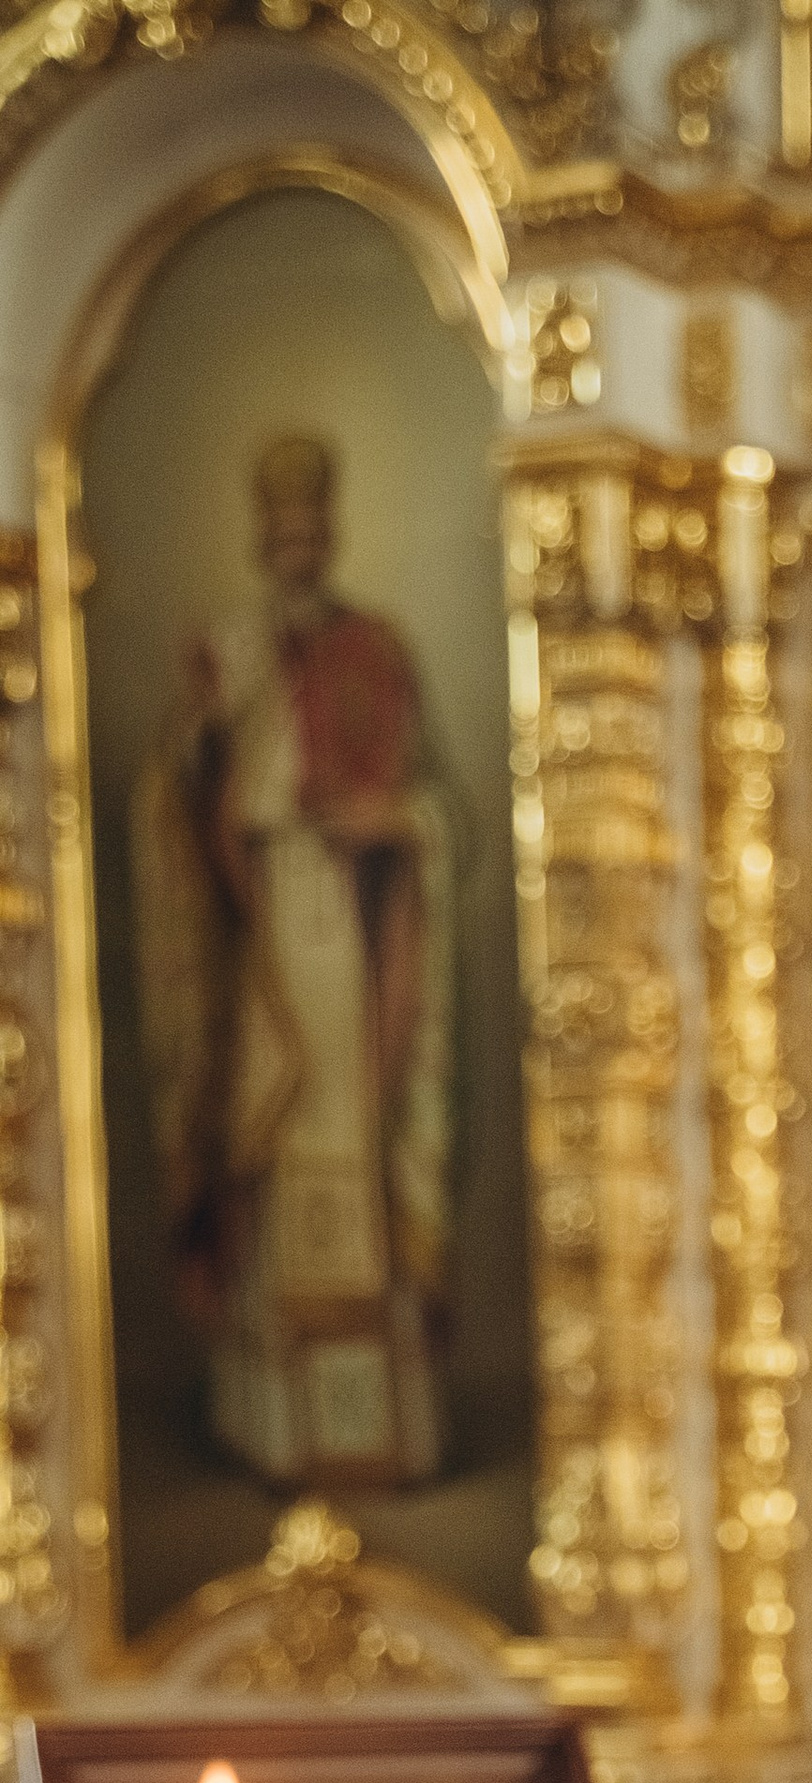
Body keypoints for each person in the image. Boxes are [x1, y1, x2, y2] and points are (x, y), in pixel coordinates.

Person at [133, 432, 452, 1490]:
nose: (297, 542)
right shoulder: (227, 648)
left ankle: (369, 1434)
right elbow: (174, 808)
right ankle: (281, 1431)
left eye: (312, 526)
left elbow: (445, 811)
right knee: (268, 1153)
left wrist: (392, 817)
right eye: (281, 528)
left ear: (332, 531)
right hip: (258, 938)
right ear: (263, 537)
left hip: (354, 943)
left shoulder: (378, 651)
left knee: (353, 1149)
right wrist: (199, 743)